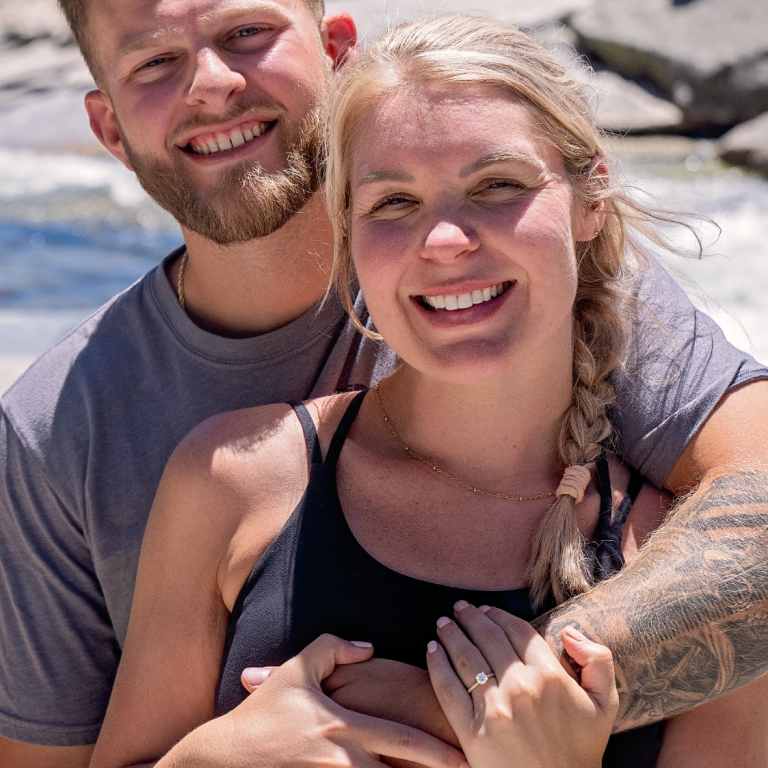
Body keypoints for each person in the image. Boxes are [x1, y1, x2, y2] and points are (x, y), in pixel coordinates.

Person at [0, 0, 768, 765]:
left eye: (247, 32)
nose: (211, 83)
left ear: (589, 201)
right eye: (155, 61)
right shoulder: (128, 451)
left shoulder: (598, 327)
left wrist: (450, 712)